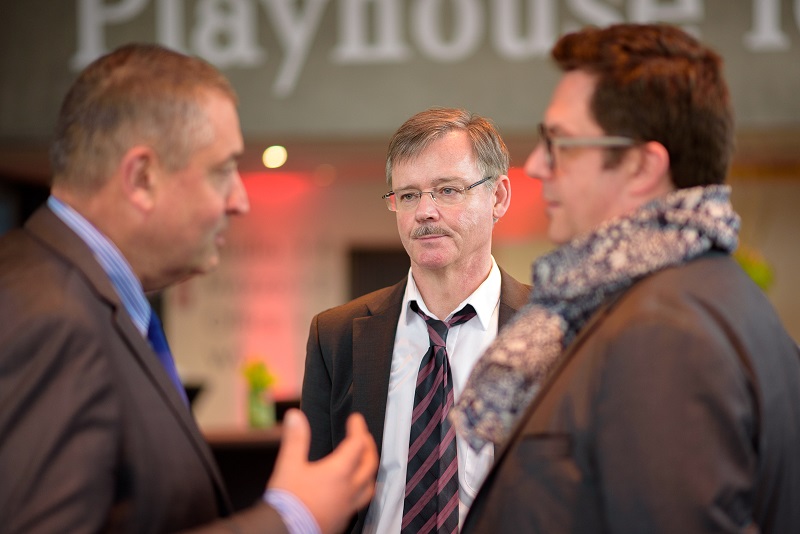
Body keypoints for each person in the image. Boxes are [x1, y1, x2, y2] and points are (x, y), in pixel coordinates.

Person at [0, 43, 377, 534]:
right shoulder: (49, 320)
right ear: (142, 178)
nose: (239, 201)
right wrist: (291, 518)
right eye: (222, 171)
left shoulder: (72, 296)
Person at [448, 23, 800, 533]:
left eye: (560, 142)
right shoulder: (708, 293)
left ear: (640, 167)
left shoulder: (664, 332)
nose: (537, 164)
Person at [301, 107, 531, 533]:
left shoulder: (557, 329)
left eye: (447, 190)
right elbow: (314, 501)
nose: (425, 211)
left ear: (498, 197)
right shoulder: (337, 337)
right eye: (408, 195)